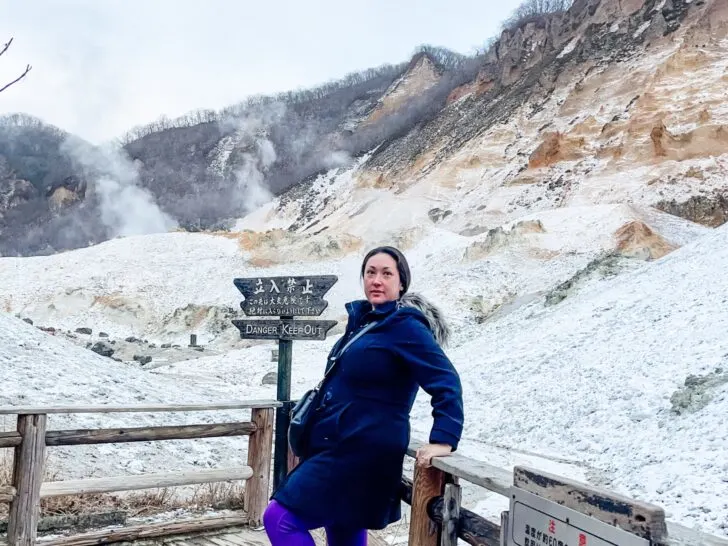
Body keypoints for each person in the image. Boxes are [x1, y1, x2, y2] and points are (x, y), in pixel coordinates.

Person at [263, 246, 464, 546]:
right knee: (344, 528)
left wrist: (444, 439)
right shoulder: (367, 323)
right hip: (340, 446)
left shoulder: (405, 327)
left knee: (279, 518)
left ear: (401, 283)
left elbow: (446, 380)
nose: (376, 280)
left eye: (386, 273)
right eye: (370, 273)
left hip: (362, 453)